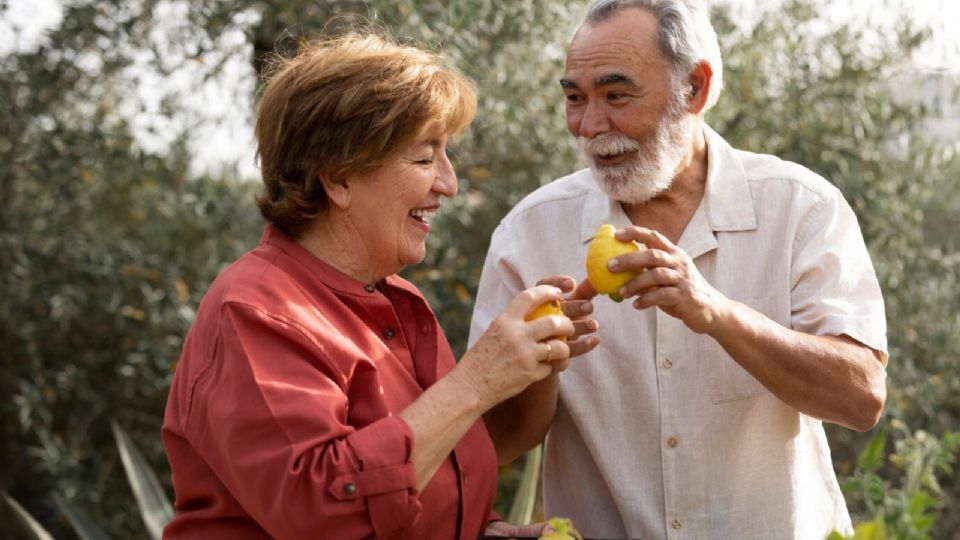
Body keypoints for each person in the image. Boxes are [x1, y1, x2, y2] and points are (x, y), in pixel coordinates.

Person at [469, 1, 889, 538]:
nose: (591, 126)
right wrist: (539, 364)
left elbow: (861, 398)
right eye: (575, 98)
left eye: (616, 95)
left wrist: (717, 312)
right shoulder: (528, 234)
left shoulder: (801, 208)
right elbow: (496, 445)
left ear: (696, 88)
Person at [161, 28, 597, 540]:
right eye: (424, 157)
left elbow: (443, 465)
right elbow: (328, 512)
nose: (449, 184)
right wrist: (478, 379)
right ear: (338, 177)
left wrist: (493, 531)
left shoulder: (396, 299)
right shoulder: (255, 311)